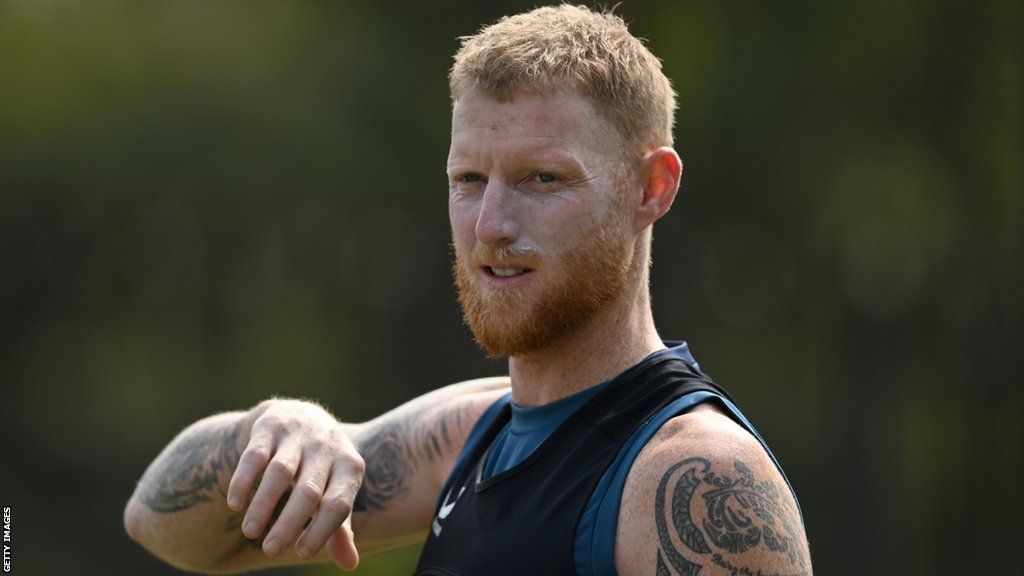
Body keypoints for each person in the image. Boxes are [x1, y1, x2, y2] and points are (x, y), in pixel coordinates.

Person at [124, 5, 812, 576]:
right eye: (468, 181)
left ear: (651, 187)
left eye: (542, 179)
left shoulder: (692, 475)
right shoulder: (476, 431)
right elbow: (159, 520)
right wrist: (274, 428)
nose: (490, 227)